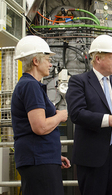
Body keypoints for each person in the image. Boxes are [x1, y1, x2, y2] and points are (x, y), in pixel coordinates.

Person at [65, 34, 112, 195]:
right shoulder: (79, 82)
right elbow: (76, 113)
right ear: (98, 58)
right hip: (92, 156)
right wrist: (108, 120)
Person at [11, 35, 71, 195]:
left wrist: (53, 156)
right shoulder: (31, 86)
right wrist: (59, 116)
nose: (51, 64)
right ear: (36, 61)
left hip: (41, 158)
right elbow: (40, 127)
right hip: (37, 160)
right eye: (47, 59)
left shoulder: (29, 85)